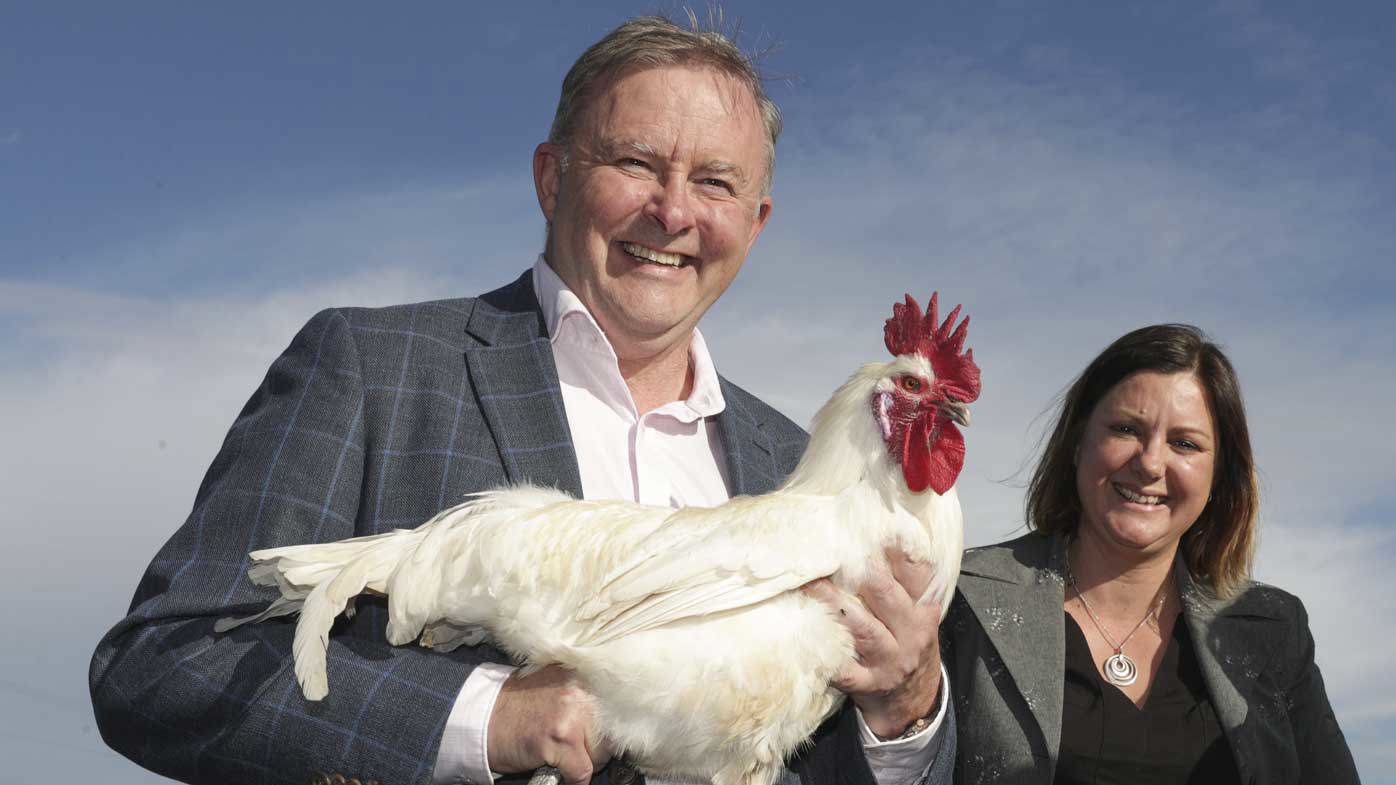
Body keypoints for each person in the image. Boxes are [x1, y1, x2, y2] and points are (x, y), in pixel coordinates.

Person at [89, 15, 954, 785]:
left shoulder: (785, 462)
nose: (673, 212)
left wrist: (905, 715)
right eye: (636, 163)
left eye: (716, 183)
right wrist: (483, 720)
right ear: (553, 177)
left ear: (756, 221)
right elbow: (162, 666)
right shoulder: (375, 365)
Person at [943, 323, 1359, 784]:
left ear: (1219, 475)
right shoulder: (960, 599)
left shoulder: (1274, 629)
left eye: (1184, 443)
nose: (1150, 462)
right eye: (1126, 429)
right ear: (1079, 442)